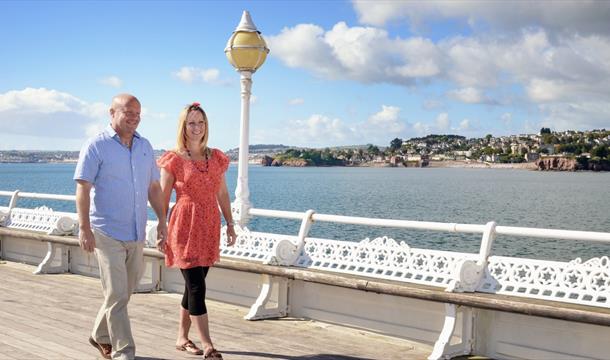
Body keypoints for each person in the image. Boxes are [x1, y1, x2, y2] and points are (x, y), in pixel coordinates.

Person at [74, 94, 167, 360]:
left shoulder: (145, 146)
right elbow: (83, 188)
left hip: (136, 232)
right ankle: (124, 351)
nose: (134, 118)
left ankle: (99, 335)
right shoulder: (96, 146)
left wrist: (162, 220)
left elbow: (153, 187)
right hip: (106, 232)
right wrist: (84, 228)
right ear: (112, 113)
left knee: (124, 293)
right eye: (128, 112)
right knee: (116, 293)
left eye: (138, 113)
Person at [156, 102, 237, 360]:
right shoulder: (174, 159)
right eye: (191, 122)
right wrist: (161, 227)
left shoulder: (216, 157)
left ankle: (181, 337)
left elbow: (222, 193)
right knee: (196, 287)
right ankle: (208, 344)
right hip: (184, 225)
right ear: (183, 126)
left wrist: (231, 223)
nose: (196, 127)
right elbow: (162, 197)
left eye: (201, 122)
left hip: (209, 224)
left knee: (193, 285)